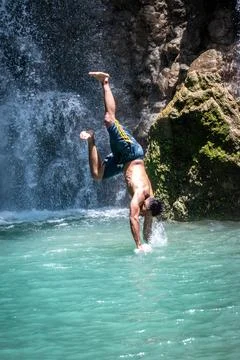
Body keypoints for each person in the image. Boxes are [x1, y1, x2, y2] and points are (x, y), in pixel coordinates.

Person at [80, 72, 163, 251]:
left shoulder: (150, 206)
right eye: (144, 211)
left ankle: (91, 139)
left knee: (97, 174)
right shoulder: (141, 194)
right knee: (109, 119)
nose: (142, 213)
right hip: (131, 152)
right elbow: (133, 217)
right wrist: (139, 246)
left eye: (145, 213)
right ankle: (105, 81)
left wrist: (149, 244)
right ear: (146, 204)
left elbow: (147, 227)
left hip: (121, 162)